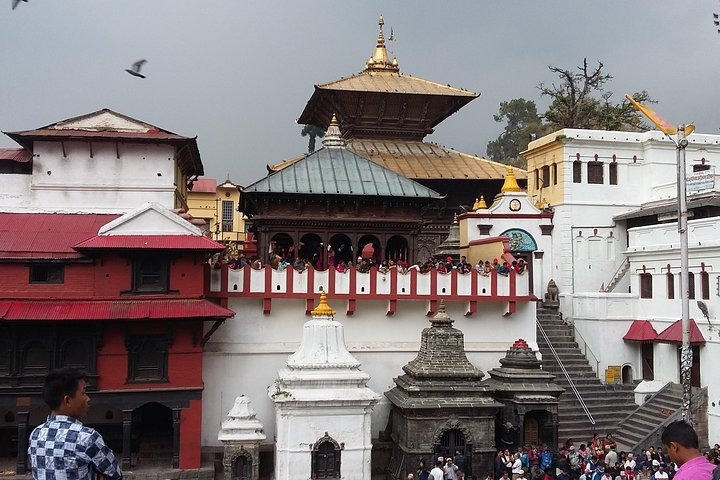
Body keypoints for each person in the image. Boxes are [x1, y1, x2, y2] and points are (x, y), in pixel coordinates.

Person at [28, 368, 122, 480]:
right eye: (83, 393)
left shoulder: (36, 434)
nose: (88, 399)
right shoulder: (87, 437)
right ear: (67, 401)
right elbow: (115, 474)